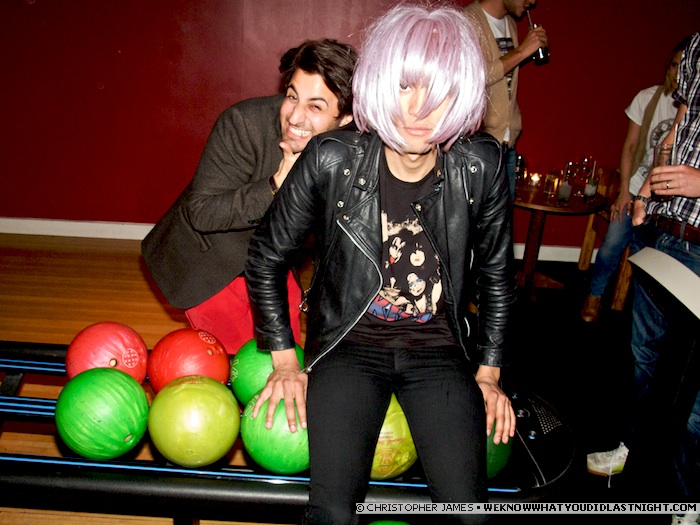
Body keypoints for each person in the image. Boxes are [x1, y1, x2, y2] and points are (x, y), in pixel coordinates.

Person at [245, 5, 517, 524]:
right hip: (350, 344)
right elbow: (266, 255)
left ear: (461, 97)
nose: (418, 109)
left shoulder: (480, 164)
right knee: (332, 512)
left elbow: (498, 276)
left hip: (438, 351)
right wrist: (285, 363)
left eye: (438, 92)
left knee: (471, 516)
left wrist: (488, 374)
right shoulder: (331, 157)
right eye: (404, 86)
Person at [141, 39, 356, 354]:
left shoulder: (353, 146)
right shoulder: (242, 124)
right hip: (213, 258)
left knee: (286, 356)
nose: (295, 117)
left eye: (315, 106)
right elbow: (202, 212)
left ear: (345, 118)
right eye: (292, 96)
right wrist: (277, 184)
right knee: (241, 362)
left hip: (273, 256)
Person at [588, 32, 700, 521]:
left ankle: (688, 497)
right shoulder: (695, 49)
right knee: (643, 358)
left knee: (696, 394)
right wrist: (646, 193)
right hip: (663, 231)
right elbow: (675, 132)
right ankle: (632, 450)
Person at [580, 39, 689, 323]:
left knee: (658, 256)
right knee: (613, 242)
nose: (678, 72)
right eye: (674, 65)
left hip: (673, 196)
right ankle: (594, 295)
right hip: (638, 184)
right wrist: (623, 192)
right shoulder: (648, 98)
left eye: (684, 66)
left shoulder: (693, 110)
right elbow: (629, 147)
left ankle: (645, 315)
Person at [464, 0, 548, 200]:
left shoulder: (510, 24)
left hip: (506, 146)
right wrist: (522, 52)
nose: (532, 2)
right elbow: (471, 76)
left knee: (502, 220)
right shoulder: (467, 21)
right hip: (476, 147)